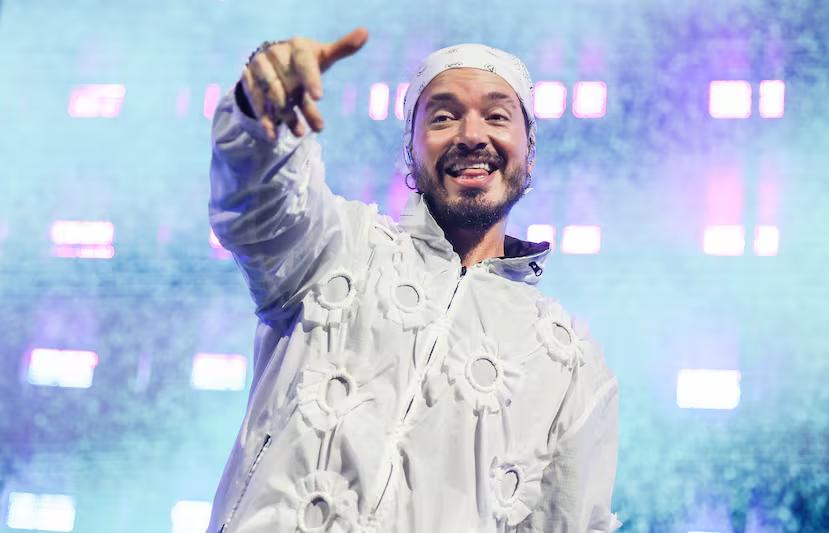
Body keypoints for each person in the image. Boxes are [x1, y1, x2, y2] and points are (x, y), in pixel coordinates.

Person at [207, 27, 621, 533]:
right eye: (443, 117)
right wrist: (259, 112)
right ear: (411, 151)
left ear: (529, 151)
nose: (472, 135)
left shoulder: (569, 361)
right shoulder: (339, 248)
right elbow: (259, 206)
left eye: (497, 116)